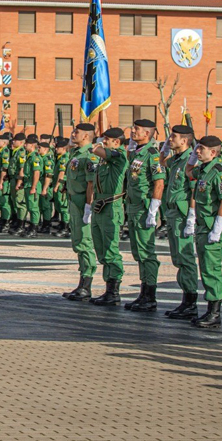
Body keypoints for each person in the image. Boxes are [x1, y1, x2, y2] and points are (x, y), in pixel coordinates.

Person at [185, 135, 222, 329]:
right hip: (203, 227)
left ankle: (214, 313)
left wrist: (218, 229)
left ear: (213, 152)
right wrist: (193, 157)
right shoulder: (204, 169)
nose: (197, 151)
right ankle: (210, 310)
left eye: (201, 149)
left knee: (212, 270)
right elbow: (188, 172)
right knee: (205, 269)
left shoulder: (220, 172)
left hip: (213, 227)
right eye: (197, 148)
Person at [124, 119, 165, 311]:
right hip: (133, 207)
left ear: (147, 133)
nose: (133, 131)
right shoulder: (137, 153)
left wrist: (153, 209)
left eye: (137, 129)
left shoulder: (152, 155)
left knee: (147, 252)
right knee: (138, 252)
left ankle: (150, 295)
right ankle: (143, 292)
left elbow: (159, 182)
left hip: (144, 208)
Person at [89, 127, 128, 306]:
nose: (103, 142)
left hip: (112, 206)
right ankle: (108, 288)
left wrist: (95, 145)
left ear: (117, 142)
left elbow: (97, 150)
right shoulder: (105, 160)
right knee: (101, 249)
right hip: (99, 205)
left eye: (107, 139)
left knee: (111, 250)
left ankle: (114, 291)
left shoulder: (120, 155)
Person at [161, 125, 197, 319]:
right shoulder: (176, 160)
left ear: (184, 140)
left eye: (173, 137)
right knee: (178, 258)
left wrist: (192, 214)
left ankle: (190, 301)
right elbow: (162, 162)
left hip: (183, 215)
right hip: (173, 213)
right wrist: (164, 149)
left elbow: (193, 189)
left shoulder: (190, 161)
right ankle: (186, 300)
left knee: (185, 258)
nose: (170, 139)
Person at [61, 123, 98, 300]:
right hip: (74, 203)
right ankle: (82, 283)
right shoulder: (76, 153)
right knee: (78, 243)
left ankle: (86, 284)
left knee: (85, 243)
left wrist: (88, 208)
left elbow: (91, 184)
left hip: (83, 204)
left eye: (77, 132)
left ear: (86, 136)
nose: (73, 133)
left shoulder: (90, 155)